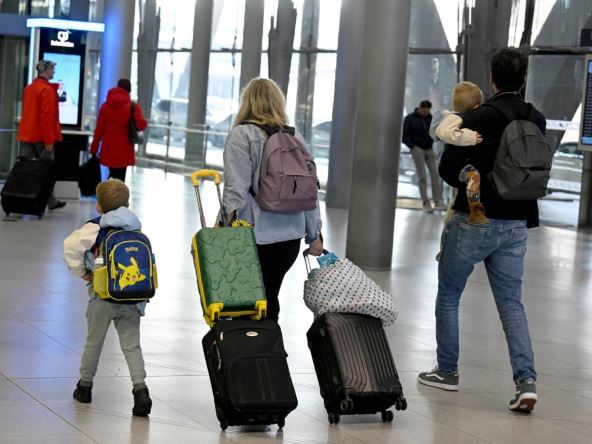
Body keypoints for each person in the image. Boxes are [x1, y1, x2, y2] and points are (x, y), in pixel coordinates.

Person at [417, 49, 545, 413]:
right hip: (518, 222)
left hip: (475, 219)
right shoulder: (536, 117)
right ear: (524, 79)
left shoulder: (480, 116)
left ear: (492, 79)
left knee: (449, 293)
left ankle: (447, 371)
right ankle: (526, 381)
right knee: (511, 303)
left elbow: (447, 169)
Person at [222, 78, 324, 322]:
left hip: (254, 235)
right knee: (270, 299)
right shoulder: (294, 135)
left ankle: (255, 355)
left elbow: (236, 189)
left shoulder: (241, 135)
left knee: (248, 305)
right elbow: (309, 189)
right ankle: (270, 355)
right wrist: (315, 234)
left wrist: (226, 228)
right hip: (290, 237)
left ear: (247, 102)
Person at [63, 179, 152, 416]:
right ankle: (140, 390)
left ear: (99, 207)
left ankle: (84, 387)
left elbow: (70, 247)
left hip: (103, 296)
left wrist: (84, 273)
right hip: (133, 298)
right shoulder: (136, 228)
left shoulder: (95, 227)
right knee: (132, 346)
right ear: (127, 203)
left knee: (94, 342)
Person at [430, 81, 487, 225]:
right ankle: (476, 212)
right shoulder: (454, 118)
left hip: (453, 165)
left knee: (457, 198)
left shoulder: (456, 117)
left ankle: (450, 222)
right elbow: (443, 132)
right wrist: (469, 137)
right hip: (449, 165)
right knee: (473, 177)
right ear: (476, 107)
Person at [16, 60, 66, 210]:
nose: (53, 72)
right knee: (47, 171)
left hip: (26, 134)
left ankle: (22, 200)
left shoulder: (29, 89)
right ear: (44, 71)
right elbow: (47, 117)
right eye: (52, 69)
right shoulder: (47, 90)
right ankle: (48, 201)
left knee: (26, 171)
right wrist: (49, 141)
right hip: (41, 137)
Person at [90, 79, 147, 182]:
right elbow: (141, 125)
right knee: (119, 178)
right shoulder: (132, 107)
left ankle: (108, 195)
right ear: (129, 90)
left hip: (108, 149)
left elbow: (98, 131)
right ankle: (113, 196)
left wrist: (94, 148)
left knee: (113, 175)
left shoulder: (105, 106)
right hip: (124, 150)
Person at [402, 100, 446, 212]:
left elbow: (434, 132)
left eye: (428, 111)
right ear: (420, 108)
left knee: (436, 174)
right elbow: (404, 136)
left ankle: (438, 201)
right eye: (424, 111)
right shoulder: (410, 118)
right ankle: (425, 203)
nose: (426, 113)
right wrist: (412, 146)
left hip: (429, 148)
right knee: (422, 176)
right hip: (417, 148)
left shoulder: (430, 118)